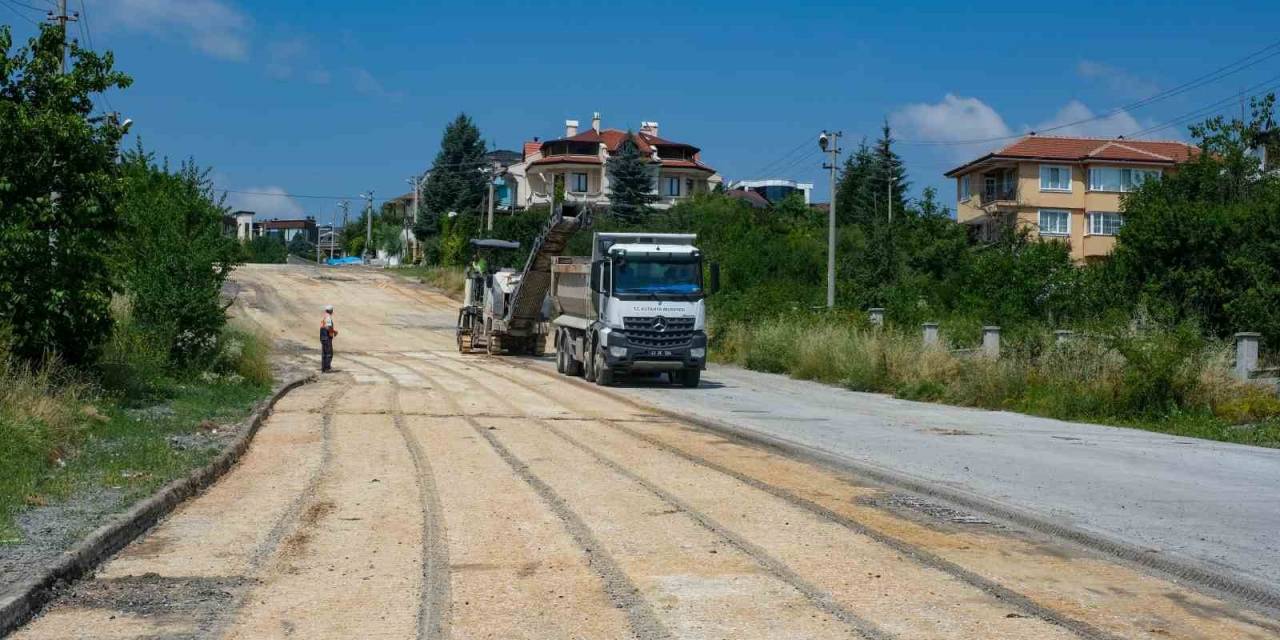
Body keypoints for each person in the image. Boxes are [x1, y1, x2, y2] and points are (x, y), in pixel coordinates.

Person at [320, 305, 337, 372]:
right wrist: (334, 332)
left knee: (324, 353)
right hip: (326, 337)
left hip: (323, 337)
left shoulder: (324, 317)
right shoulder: (328, 317)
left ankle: (323, 368)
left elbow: (323, 327)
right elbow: (328, 327)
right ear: (331, 311)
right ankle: (327, 368)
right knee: (329, 353)